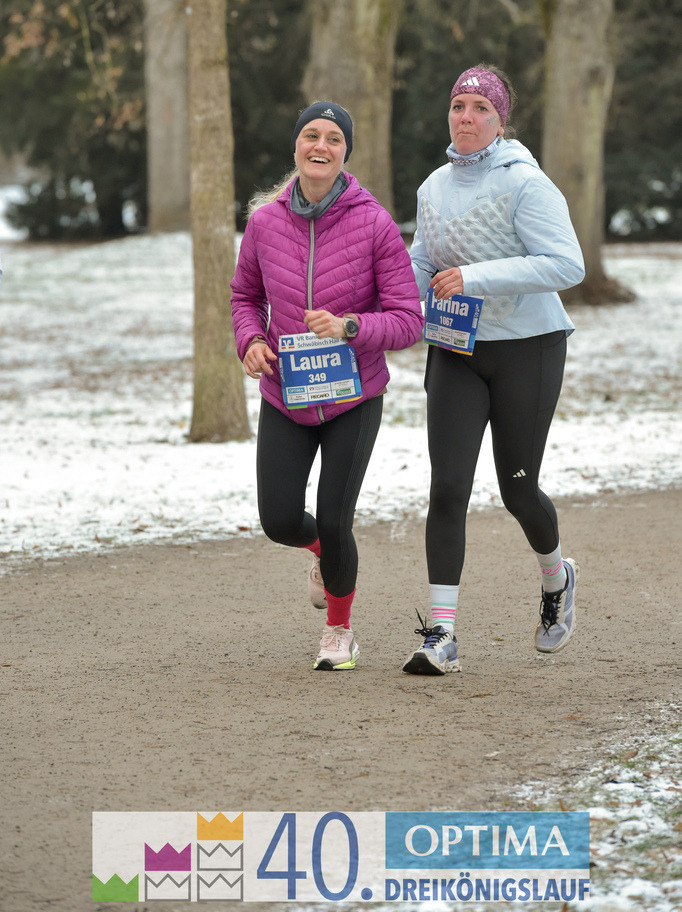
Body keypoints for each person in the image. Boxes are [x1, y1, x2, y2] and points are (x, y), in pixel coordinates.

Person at [403, 64, 585, 676]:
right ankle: (442, 635)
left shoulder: (526, 183)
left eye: (481, 108)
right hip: (456, 348)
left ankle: (557, 577)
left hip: (528, 348)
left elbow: (567, 264)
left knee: (517, 489)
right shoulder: (433, 187)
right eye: (459, 105)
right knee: (447, 487)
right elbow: (422, 261)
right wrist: (386, 294)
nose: (467, 116)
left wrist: (474, 278)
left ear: (500, 120)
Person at [231, 101, 423, 671]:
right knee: (279, 520)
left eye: (334, 138)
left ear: (345, 153)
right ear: (296, 147)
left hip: (352, 397)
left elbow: (408, 320)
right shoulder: (265, 223)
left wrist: (350, 327)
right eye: (311, 135)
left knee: (336, 519)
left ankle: (339, 631)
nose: (321, 145)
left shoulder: (374, 223)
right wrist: (251, 341)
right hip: (286, 394)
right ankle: (321, 552)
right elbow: (245, 297)